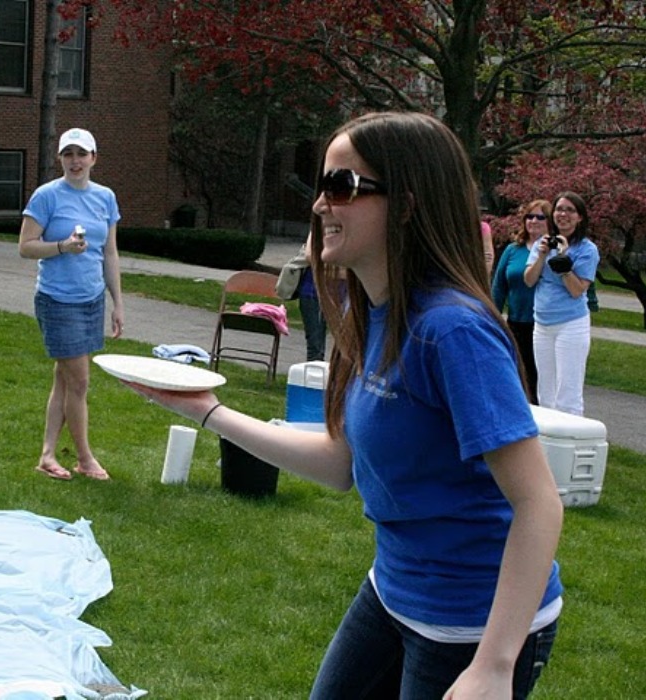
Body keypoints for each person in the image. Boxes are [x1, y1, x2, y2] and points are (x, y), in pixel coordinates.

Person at [125, 112, 564, 699]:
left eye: (342, 186)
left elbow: (538, 503)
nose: (319, 206)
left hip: (472, 622)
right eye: (321, 186)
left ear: (407, 205)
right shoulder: (371, 313)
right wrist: (207, 410)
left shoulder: (453, 331)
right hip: (394, 590)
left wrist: (493, 665)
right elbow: (341, 463)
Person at [18, 127, 124, 481]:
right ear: (60, 158)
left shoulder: (105, 197)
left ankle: (48, 454)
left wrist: (117, 303)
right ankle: (85, 458)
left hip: (90, 299)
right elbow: (26, 247)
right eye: (69, 154)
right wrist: (62, 246)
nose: (75, 161)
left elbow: (109, 252)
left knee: (64, 381)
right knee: (79, 382)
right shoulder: (46, 196)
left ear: (94, 158)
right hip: (57, 299)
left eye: (82, 154)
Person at [523, 192, 599, 416]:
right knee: (545, 392)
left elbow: (577, 291)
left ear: (580, 218)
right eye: (559, 209)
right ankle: (547, 445)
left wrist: (564, 261)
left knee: (568, 394)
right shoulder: (541, 243)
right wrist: (542, 254)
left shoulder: (586, 249)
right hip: (542, 324)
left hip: (571, 324)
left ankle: (571, 442)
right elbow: (529, 280)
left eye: (570, 210)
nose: (563, 214)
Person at [492, 200, 551, 404]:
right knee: (516, 376)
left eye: (540, 217)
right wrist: (493, 317)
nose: (533, 221)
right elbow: (499, 286)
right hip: (516, 322)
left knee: (540, 378)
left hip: (543, 324)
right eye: (529, 216)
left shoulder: (555, 249)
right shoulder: (513, 250)